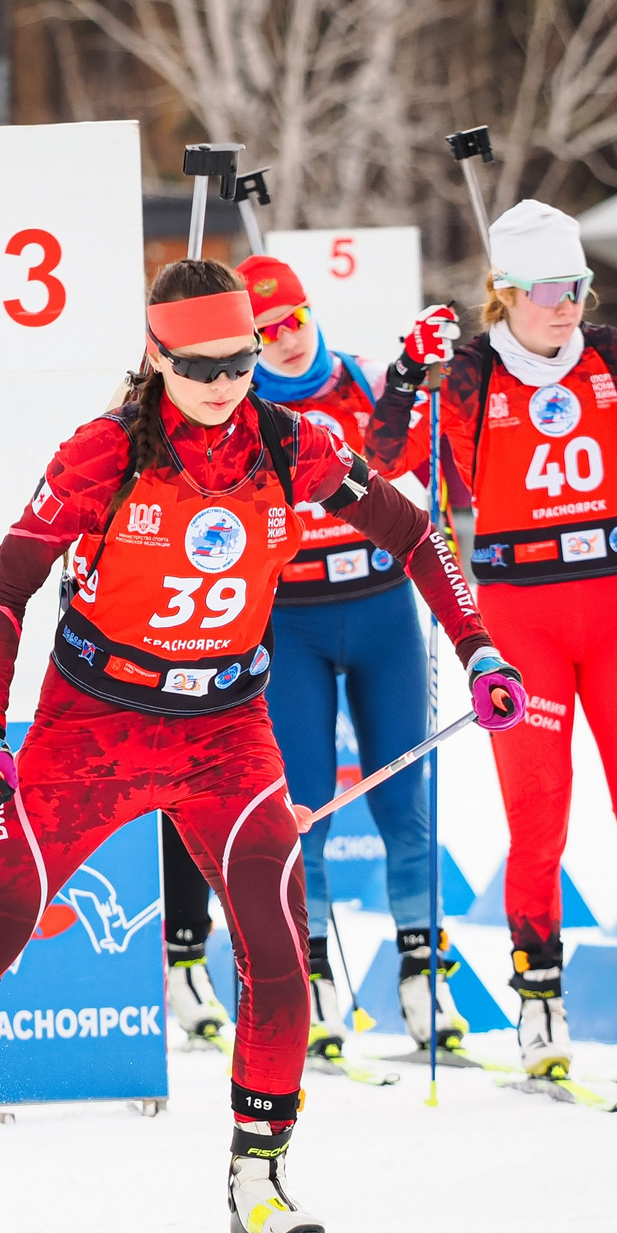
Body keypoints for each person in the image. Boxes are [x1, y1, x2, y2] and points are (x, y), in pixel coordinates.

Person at [0, 259, 523, 1233]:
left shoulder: (295, 444)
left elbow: (414, 537)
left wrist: (478, 645)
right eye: (201, 363)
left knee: (273, 943)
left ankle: (259, 1181)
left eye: (241, 358)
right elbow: (2, 590)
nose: (224, 382)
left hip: (226, 731)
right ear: (157, 357)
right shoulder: (105, 453)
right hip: (94, 731)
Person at [371, 199, 617, 1081]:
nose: (565, 303)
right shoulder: (467, 375)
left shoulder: (613, 355)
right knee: (538, 817)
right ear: (503, 293)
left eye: (575, 284)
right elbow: (384, 454)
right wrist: (402, 372)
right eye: (545, 288)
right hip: (521, 613)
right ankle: (540, 999)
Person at [156, 253, 455, 1064]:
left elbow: (412, 469)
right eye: (265, 331)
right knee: (305, 808)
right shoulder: (239, 410)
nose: (286, 341)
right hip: (292, 624)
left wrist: (418, 390)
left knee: (405, 798)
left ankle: (425, 978)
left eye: (294, 320)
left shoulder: (357, 382)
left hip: (382, 608)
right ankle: (313, 976)